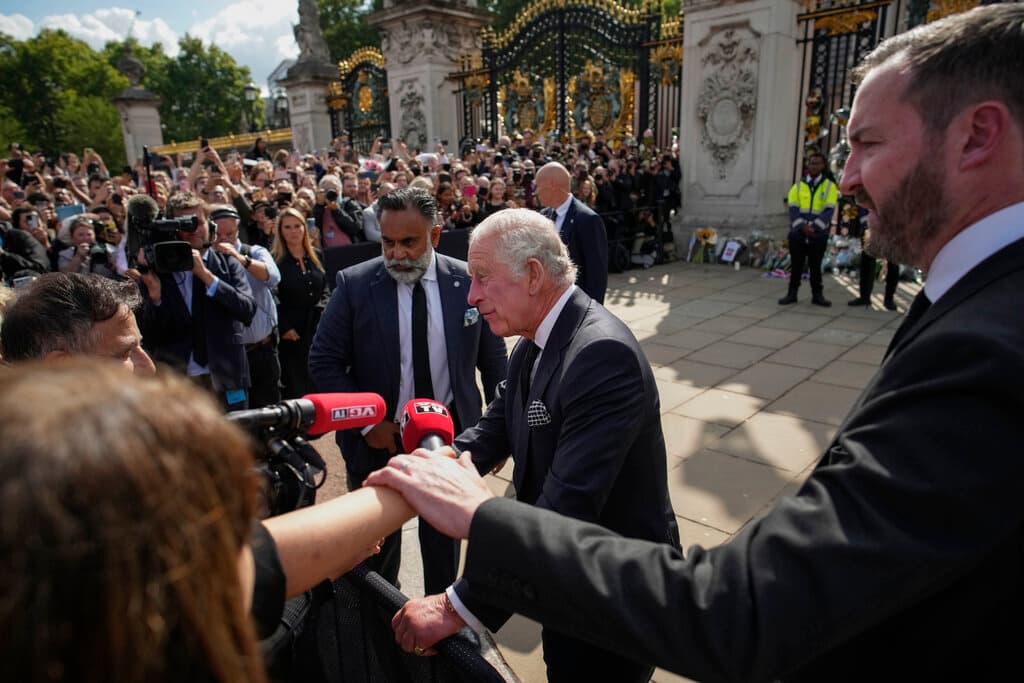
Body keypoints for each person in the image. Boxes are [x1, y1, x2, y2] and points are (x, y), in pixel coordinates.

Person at [366, 6, 1024, 681]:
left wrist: (471, 560)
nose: (846, 177)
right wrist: (445, 462)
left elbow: (749, 605)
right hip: (581, 588)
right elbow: (502, 423)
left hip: (618, 604)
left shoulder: (992, 342)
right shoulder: (972, 301)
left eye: (868, 143)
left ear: (977, 134)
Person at [0, 271, 419, 638]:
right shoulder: (54, 487)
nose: (147, 369)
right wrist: (329, 563)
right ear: (61, 366)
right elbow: (212, 607)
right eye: (125, 353)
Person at [388, 209, 678, 682]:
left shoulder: (602, 356)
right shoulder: (535, 338)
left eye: (482, 276)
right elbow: (488, 433)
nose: (472, 293)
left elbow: (561, 512)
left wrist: (455, 605)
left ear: (534, 274)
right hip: (565, 587)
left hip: (611, 605)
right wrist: (404, 487)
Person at [309, 187, 508, 596]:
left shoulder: (466, 283)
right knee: (376, 562)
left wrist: (498, 430)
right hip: (378, 446)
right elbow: (323, 361)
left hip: (449, 444)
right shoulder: (355, 285)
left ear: (435, 235)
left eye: (409, 242)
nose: (396, 253)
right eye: (387, 242)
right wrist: (369, 427)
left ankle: (442, 638)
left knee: (443, 554)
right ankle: (384, 642)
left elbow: (493, 360)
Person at [134, 192, 257, 409]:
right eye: (183, 224)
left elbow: (246, 310)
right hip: (178, 383)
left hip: (227, 377)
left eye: (197, 222)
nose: (192, 230)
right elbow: (148, 335)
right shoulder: (157, 273)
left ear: (210, 225)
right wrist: (155, 296)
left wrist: (208, 278)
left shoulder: (227, 264)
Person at [211, 204, 283, 408]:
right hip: (231, 357)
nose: (224, 239)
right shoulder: (208, 262)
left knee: (270, 410)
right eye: (218, 234)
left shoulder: (253, 251)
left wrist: (240, 259)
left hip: (263, 350)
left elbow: (274, 277)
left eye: (230, 234)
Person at [535, 161, 609, 303]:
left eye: (538, 186)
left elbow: (596, 275)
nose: (536, 192)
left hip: (575, 304)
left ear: (552, 185)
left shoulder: (588, 219)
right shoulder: (545, 215)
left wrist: (591, 315)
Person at [272, 207, 326, 399]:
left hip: (317, 326)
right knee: (296, 380)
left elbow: (325, 288)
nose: (293, 231)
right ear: (280, 231)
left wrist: (325, 313)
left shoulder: (317, 255)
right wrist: (284, 326)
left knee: (318, 375)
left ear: (304, 228)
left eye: (297, 226)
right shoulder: (275, 261)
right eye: (287, 227)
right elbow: (273, 297)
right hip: (292, 332)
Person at [779, 151, 837, 307]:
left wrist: (814, 227)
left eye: (817, 163)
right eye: (811, 163)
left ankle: (817, 295)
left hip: (818, 234)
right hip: (798, 233)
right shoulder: (798, 186)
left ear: (823, 165)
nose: (814, 166)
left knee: (815, 266)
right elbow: (793, 208)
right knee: (796, 264)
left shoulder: (830, 187)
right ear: (808, 165)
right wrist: (802, 226)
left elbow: (828, 210)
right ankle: (792, 294)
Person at [842, 200, 900, 310]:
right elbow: (862, 203)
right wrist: (867, 224)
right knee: (867, 262)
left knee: (893, 263)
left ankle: (889, 299)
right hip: (870, 227)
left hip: (892, 227)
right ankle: (864, 297)